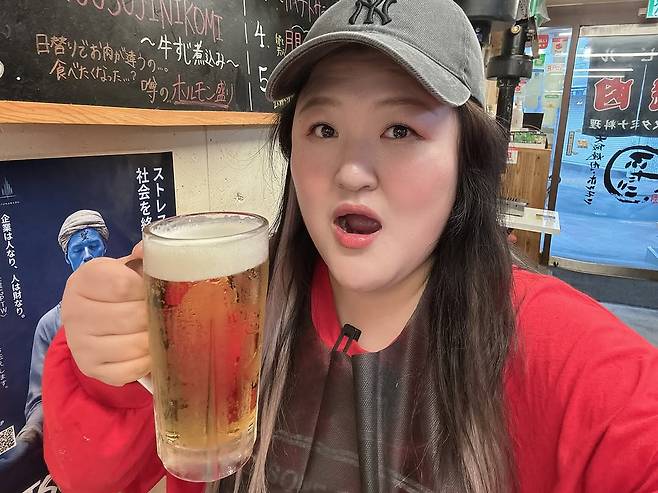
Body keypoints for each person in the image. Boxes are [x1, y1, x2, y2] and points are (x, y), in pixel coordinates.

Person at [42, 1, 658, 492]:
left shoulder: (559, 352)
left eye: (400, 129)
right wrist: (105, 359)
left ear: (467, 157)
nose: (353, 172)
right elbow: (89, 475)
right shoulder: (224, 310)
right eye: (324, 128)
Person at [0, 209, 108, 491]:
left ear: (105, 248)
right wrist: (30, 437)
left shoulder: (134, 305)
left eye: (93, 245)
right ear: (67, 258)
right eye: (78, 250)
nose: (87, 255)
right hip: (80, 449)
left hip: (135, 441)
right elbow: (41, 398)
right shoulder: (51, 325)